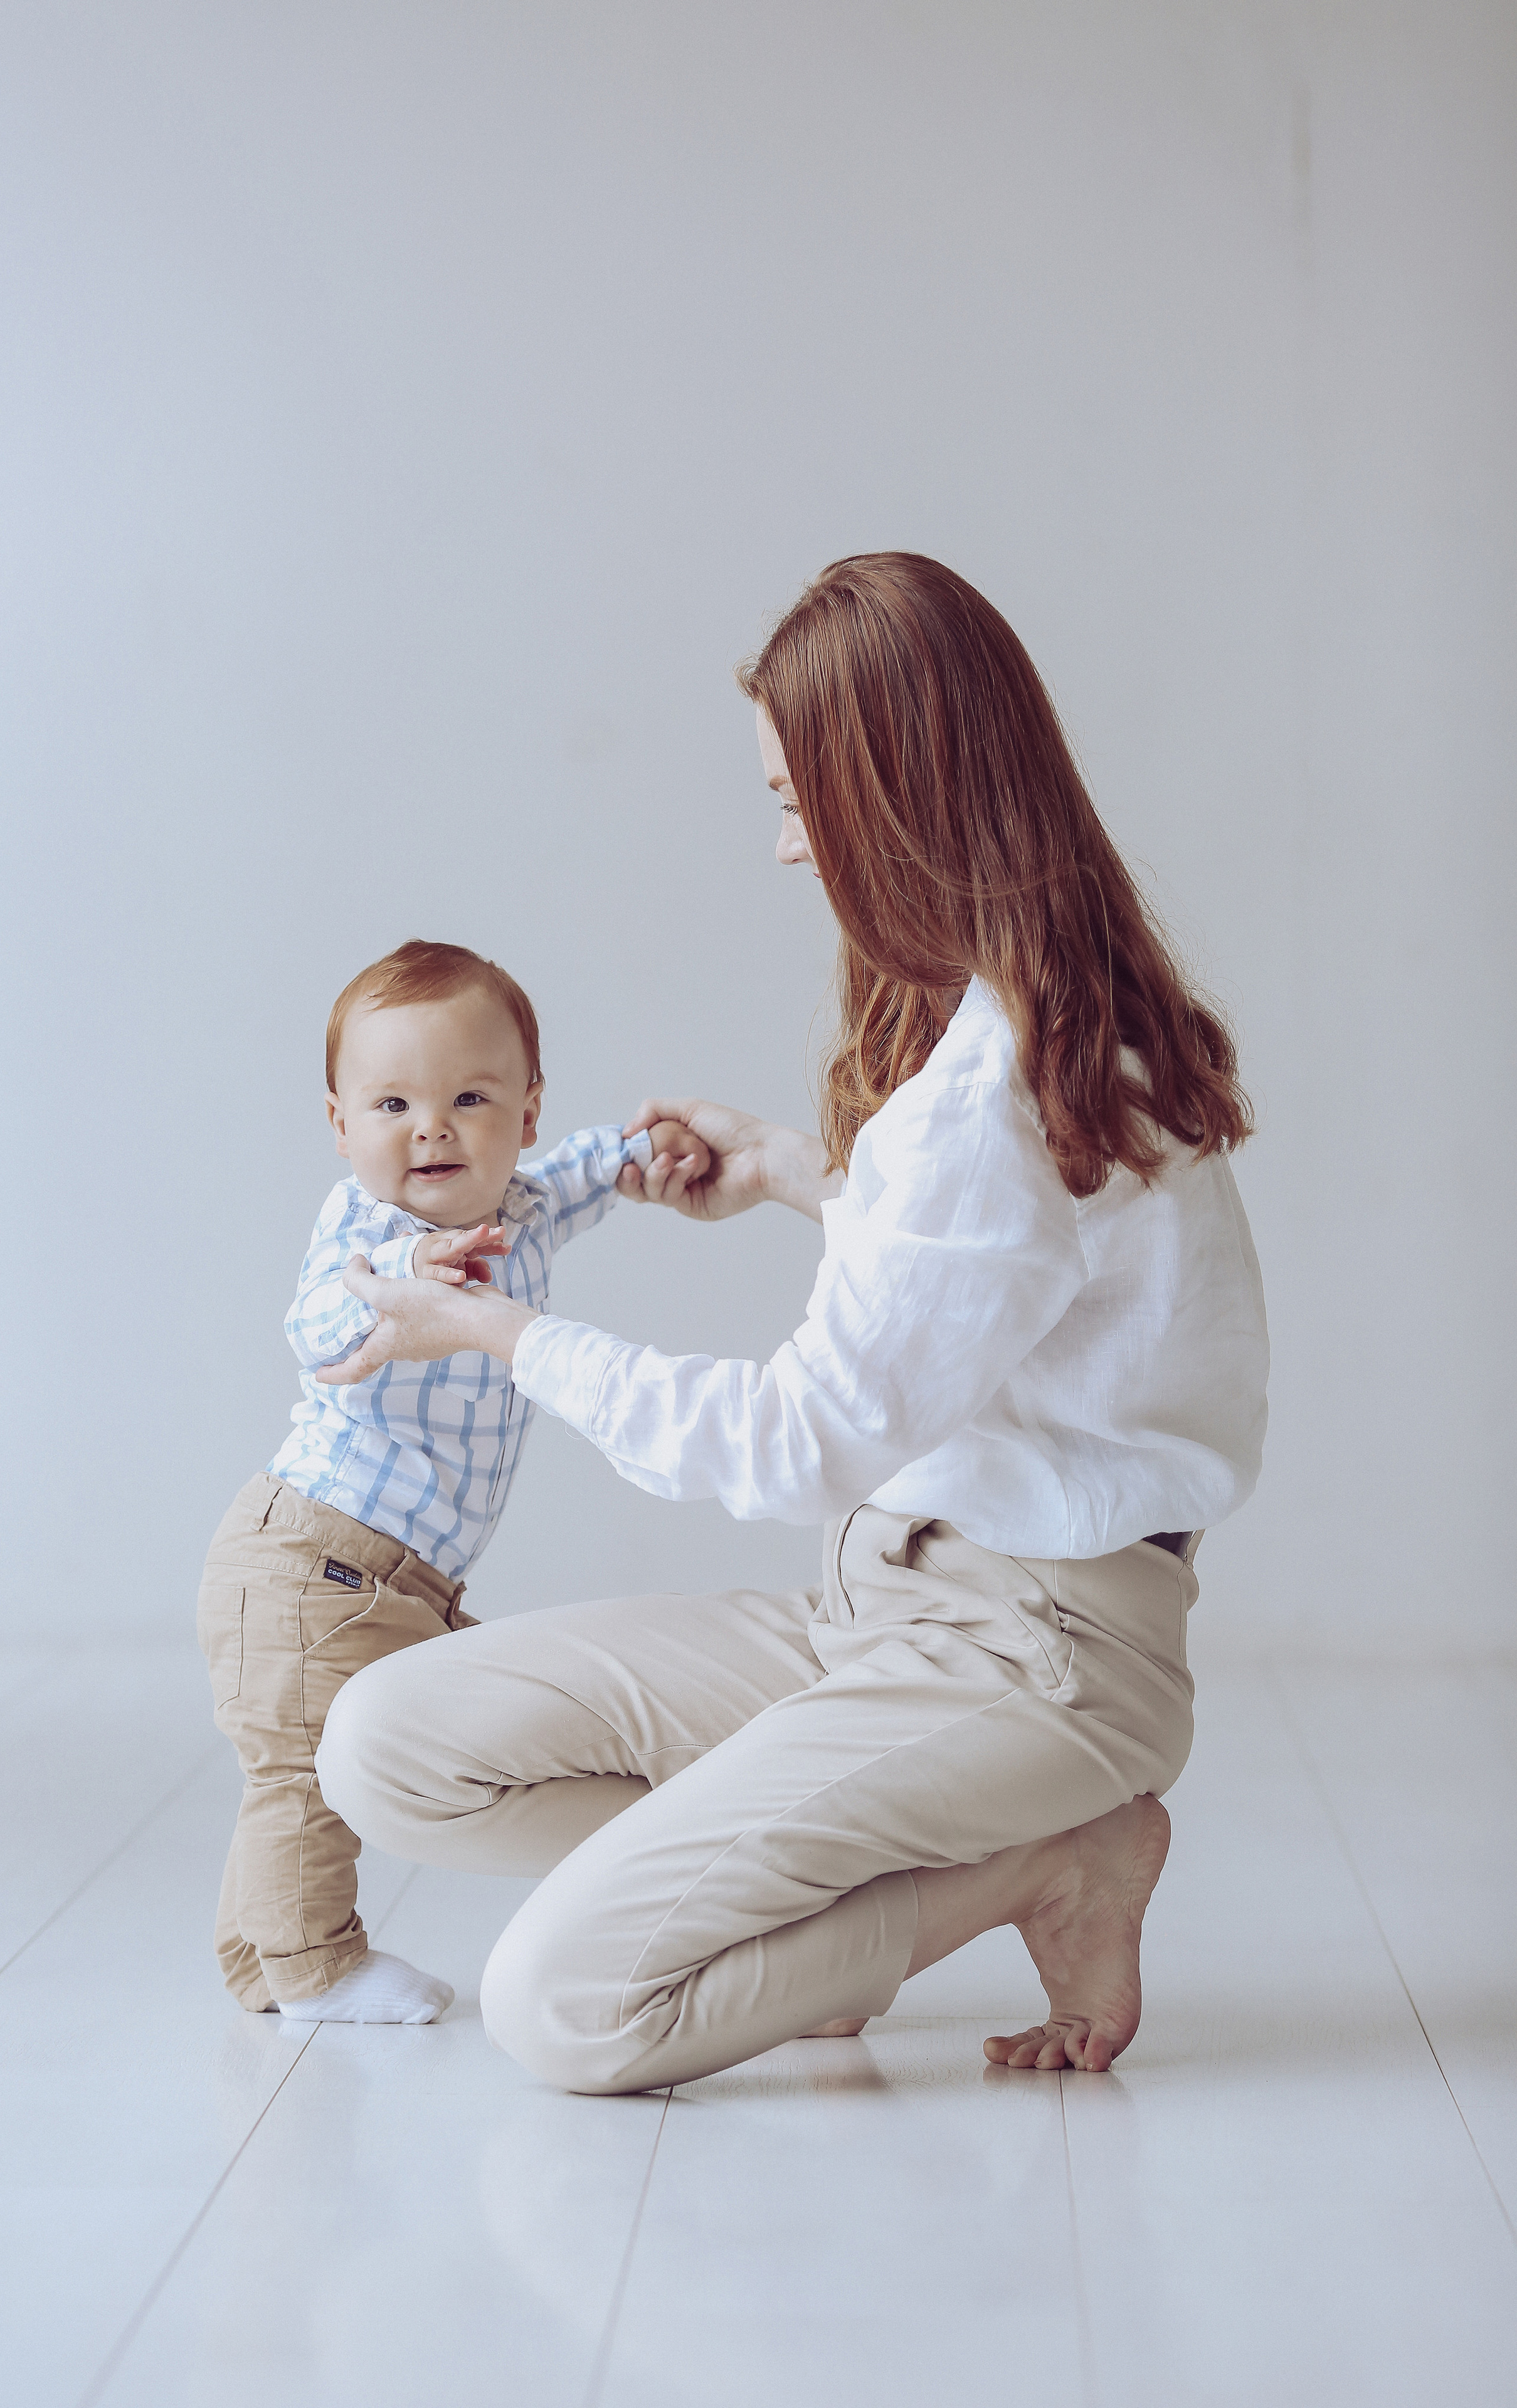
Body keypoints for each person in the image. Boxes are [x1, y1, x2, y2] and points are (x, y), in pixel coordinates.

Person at [311, 554, 1269, 2091]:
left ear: (894, 801)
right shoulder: (1042, 1025)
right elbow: (1023, 1300)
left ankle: (1052, 1861)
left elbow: (792, 1441)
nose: (779, 849)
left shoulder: (991, 1095)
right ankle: (778, 1947)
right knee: (382, 1747)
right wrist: (793, 1177)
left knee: (560, 2010)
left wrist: (500, 1340)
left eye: (793, 801)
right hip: (881, 1614)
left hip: (1032, 1656)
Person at [196, 937, 707, 2024]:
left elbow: (576, 1173)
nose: (431, 1126)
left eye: (469, 1096)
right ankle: (316, 1966)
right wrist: (397, 1290)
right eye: (390, 1105)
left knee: (306, 1763)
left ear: (523, 1115)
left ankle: (257, 1961)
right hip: (313, 1562)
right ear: (341, 1127)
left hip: (389, 1577)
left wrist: (635, 1154)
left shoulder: (517, 1203)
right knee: (302, 1777)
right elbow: (315, 1325)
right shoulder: (367, 1233)